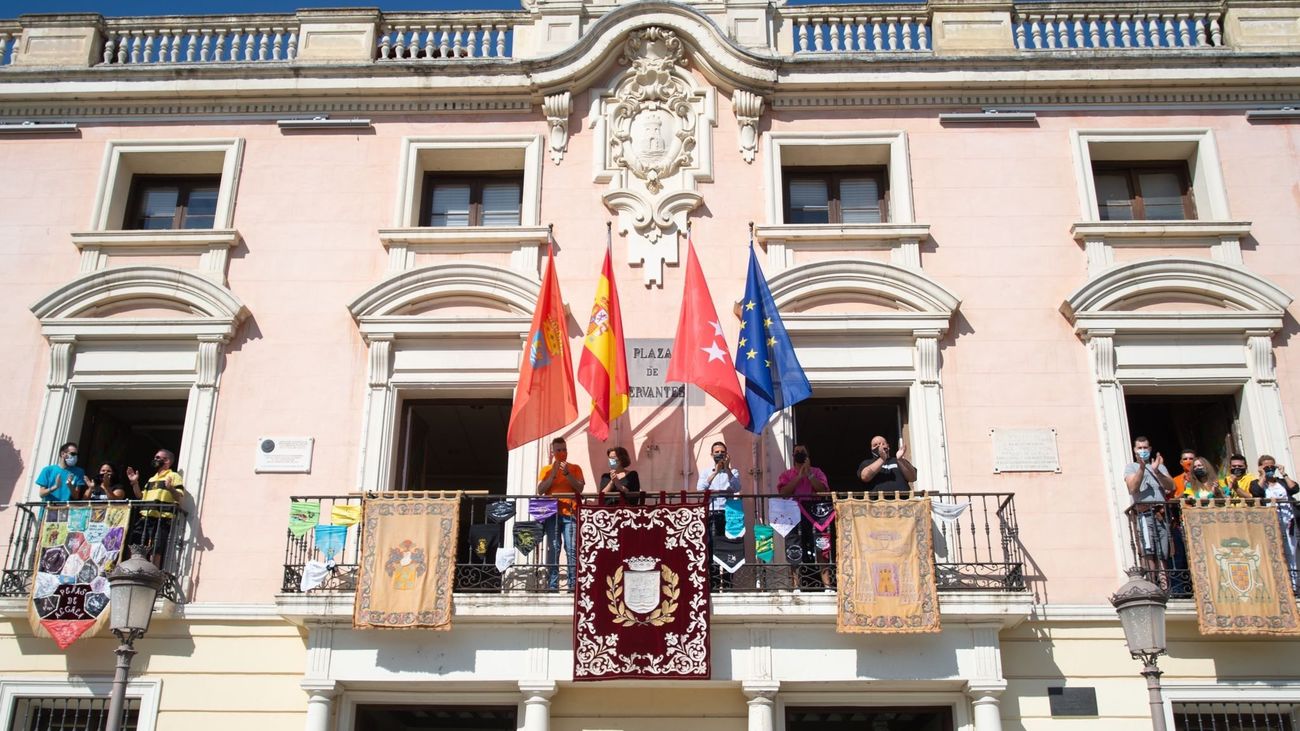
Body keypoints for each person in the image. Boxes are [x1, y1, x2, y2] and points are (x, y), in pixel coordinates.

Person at [776, 444, 833, 590]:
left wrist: (809, 475)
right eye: (797, 452)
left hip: (815, 516)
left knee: (821, 547)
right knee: (794, 548)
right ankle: (796, 586)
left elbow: (823, 490)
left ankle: (827, 586)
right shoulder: (786, 475)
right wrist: (799, 476)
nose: (800, 454)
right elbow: (783, 492)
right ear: (793, 456)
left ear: (808, 456)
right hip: (793, 516)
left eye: (803, 452)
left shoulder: (817, 472)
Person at [1124, 436, 1176, 587]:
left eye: (1145, 448)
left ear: (1150, 449)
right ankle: (1153, 586)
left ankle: (1165, 586)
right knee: (1148, 551)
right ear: (1134, 450)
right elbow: (1132, 488)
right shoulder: (1131, 467)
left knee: (1163, 552)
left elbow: (1171, 486)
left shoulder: (1159, 466)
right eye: (1139, 448)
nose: (1143, 450)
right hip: (1144, 515)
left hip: (1161, 515)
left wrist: (1156, 471)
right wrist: (1141, 468)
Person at [536, 436, 584, 591]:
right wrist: (553, 474)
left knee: (571, 548)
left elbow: (580, 488)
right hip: (552, 514)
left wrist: (568, 474)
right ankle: (553, 585)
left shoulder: (575, 468)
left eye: (564, 449)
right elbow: (541, 490)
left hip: (570, 513)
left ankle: (572, 585)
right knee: (554, 548)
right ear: (553, 452)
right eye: (559, 450)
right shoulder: (546, 469)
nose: (562, 452)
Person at [127, 448, 185, 568]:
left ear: (167, 461)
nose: (155, 460)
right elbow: (140, 496)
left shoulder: (173, 476)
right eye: (155, 457)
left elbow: (178, 496)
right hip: (145, 517)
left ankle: (152, 573)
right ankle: (133, 570)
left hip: (161, 519)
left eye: (159, 458)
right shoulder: (151, 479)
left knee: (156, 548)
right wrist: (135, 483)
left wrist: (171, 488)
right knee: (136, 544)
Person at [697, 440, 743, 589]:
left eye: (722, 452)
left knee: (729, 547)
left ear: (727, 454)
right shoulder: (706, 472)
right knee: (712, 547)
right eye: (716, 452)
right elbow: (700, 488)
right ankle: (715, 584)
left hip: (729, 514)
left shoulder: (733, 471)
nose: (719, 454)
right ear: (711, 455)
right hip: (712, 513)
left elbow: (736, 487)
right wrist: (715, 472)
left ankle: (728, 583)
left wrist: (727, 469)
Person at [1249, 454, 1298, 590]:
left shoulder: (1281, 482)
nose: (1270, 468)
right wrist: (1263, 475)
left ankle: (1294, 586)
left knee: (1291, 550)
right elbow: (1256, 492)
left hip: (1288, 521)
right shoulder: (1257, 483)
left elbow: (1294, 489)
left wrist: (1284, 473)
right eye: (1266, 466)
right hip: (1270, 522)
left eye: (1272, 466)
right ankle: (1279, 585)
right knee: (1274, 551)